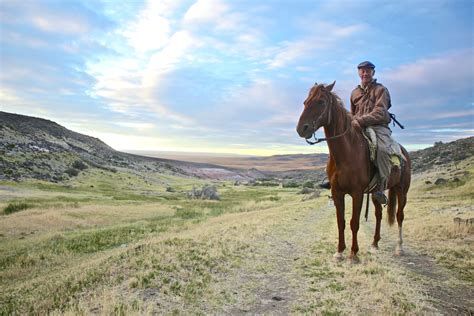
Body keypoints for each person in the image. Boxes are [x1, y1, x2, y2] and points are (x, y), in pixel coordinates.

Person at [350, 61, 403, 204]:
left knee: (382, 149)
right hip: (358, 127)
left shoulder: (381, 90)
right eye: (362, 71)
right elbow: (352, 113)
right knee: (341, 144)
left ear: (373, 73)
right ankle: (334, 178)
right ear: (358, 73)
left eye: (368, 71)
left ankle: (381, 186)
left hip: (378, 127)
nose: (365, 73)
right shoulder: (354, 92)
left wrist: (361, 121)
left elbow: (380, 112)